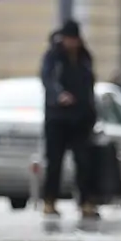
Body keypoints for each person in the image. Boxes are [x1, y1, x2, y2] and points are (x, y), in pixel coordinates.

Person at [40, 20, 99, 218]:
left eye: (74, 39)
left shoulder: (84, 57)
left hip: (81, 117)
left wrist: (90, 110)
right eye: (68, 39)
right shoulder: (53, 56)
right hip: (58, 117)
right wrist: (59, 95)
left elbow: (89, 83)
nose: (71, 43)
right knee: (54, 161)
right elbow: (48, 79)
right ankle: (49, 201)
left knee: (84, 162)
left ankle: (86, 202)